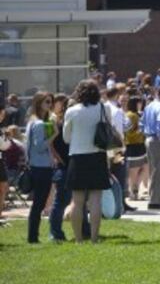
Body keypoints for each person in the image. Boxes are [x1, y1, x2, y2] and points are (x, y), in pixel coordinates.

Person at [63, 79, 115, 243]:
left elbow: (66, 138)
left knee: (77, 202)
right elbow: (108, 128)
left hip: (77, 157)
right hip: (97, 156)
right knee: (95, 200)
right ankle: (94, 238)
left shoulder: (71, 111)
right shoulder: (104, 108)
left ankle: (78, 239)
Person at [25, 92, 56, 243]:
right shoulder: (38, 124)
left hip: (38, 166)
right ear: (39, 104)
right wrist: (54, 135)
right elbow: (39, 147)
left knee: (39, 203)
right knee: (39, 203)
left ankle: (33, 236)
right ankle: (32, 237)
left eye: (51, 102)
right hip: (41, 168)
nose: (50, 105)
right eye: (47, 102)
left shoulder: (33, 121)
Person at [47, 94, 72, 241]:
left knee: (69, 200)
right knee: (61, 200)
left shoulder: (65, 123)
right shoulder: (53, 122)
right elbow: (51, 145)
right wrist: (58, 159)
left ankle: (57, 232)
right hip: (63, 165)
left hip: (68, 164)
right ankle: (55, 233)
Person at [141, 85, 160, 208]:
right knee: (158, 171)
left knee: (154, 170)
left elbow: (141, 123)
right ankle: (155, 200)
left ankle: (157, 198)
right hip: (158, 141)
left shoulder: (149, 106)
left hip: (149, 138)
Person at [124, 94, 148, 200]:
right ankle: (132, 192)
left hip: (140, 145)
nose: (141, 104)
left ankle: (136, 189)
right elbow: (127, 132)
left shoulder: (137, 114)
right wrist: (139, 132)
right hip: (133, 146)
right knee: (133, 170)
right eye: (139, 103)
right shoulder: (130, 115)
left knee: (145, 167)